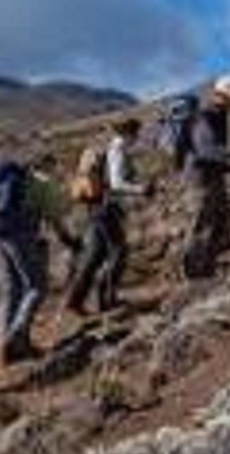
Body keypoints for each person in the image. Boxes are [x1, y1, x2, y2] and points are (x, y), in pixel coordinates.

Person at [0, 154, 79, 365]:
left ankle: (2, 340)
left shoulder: (1, 178)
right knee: (36, 286)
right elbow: (53, 217)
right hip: (21, 234)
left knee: (11, 288)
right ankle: (16, 338)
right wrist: (68, 239)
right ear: (45, 165)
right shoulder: (42, 183)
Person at [66, 119, 151, 315]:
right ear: (130, 132)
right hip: (107, 208)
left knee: (95, 255)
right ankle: (106, 299)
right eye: (136, 133)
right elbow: (116, 183)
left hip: (95, 207)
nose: (138, 138)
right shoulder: (117, 150)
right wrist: (141, 189)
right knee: (118, 252)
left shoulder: (109, 148)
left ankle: (75, 299)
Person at [182, 75, 230, 279]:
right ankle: (192, 271)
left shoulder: (219, 114)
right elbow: (206, 149)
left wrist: (228, 166)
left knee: (221, 219)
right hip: (200, 178)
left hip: (212, 175)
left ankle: (208, 264)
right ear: (223, 94)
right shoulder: (206, 115)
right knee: (201, 222)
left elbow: (211, 152)